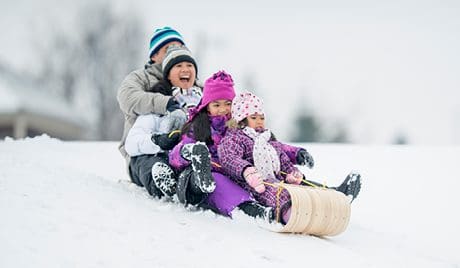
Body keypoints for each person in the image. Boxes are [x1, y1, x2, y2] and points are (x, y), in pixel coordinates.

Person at [217, 91, 361, 224]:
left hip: (277, 180)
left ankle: (336, 199)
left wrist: (292, 173)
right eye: (253, 118)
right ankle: (293, 216)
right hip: (254, 185)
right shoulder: (234, 138)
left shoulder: (268, 139)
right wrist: (247, 171)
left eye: (262, 117)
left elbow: (282, 159)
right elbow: (229, 158)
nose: (259, 121)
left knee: (304, 188)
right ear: (241, 120)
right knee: (280, 194)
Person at [169, 71, 274, 221]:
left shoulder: (241, 127)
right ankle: (247, 209)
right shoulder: (198, 126)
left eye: (228, 104)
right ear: (207, 106)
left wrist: (294, 155)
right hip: (193, 182)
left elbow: (269, 145)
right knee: (215, 180)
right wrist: (187, 152)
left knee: (248, 179)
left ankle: (280, 203)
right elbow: (174, 156)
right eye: (216, 104)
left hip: (233, 173)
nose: (223, 109)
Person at [124, 44, 202, 198]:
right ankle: (162, 182)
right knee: (148, 162)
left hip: (184, 157)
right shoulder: (159, 102)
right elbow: (132, 143)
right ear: (168, 75)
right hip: (155, 156)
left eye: (190, 65)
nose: (185, 69)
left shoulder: (204, 104)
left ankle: (192, 185)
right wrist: (157, 141)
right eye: (179, 65)